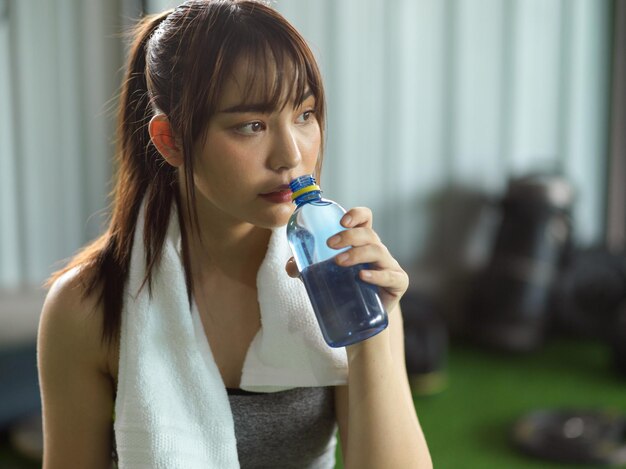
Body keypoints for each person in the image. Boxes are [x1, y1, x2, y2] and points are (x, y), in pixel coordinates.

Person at [37, 1, 432, 467]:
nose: (290, 155)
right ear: (171, 140)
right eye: (252, 125)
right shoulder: (86, 306)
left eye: (305, 114)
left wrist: (372, 332)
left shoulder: (344, 276)